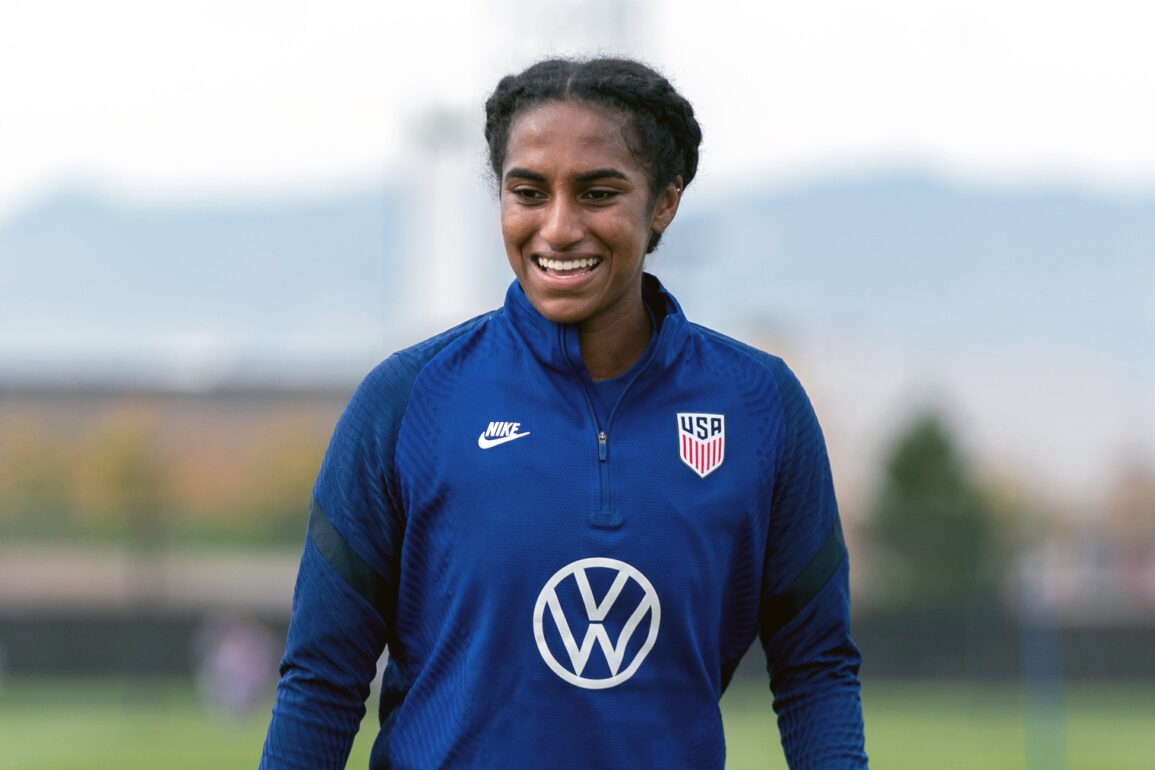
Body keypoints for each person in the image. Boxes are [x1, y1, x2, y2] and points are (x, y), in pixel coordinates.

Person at [260, 57, 867, 769]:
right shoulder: (406, 400)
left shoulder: (758, 406)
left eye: (597, 192)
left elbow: (815, 669)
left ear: (664, 202)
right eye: (527, 192)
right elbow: (321, 682)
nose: (557, 227)